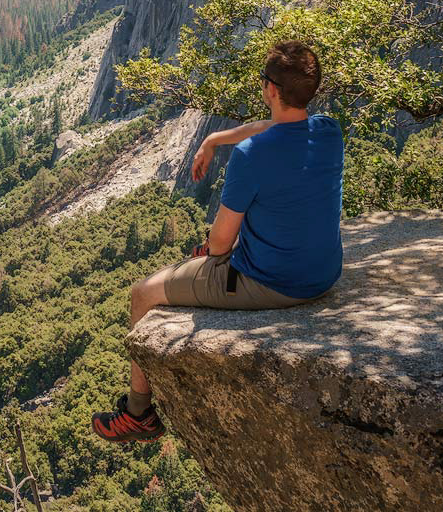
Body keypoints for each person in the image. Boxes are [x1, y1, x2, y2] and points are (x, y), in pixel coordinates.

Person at [91, 40, 344, 442]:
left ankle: (138, 413)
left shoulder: (251, 155)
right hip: (325, 273)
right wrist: (212, 141)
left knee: (143, 293)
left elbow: (221, 243)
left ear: (271, 90)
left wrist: (213, 253)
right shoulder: (329, 132)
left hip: (273, 283)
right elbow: (279, 129)